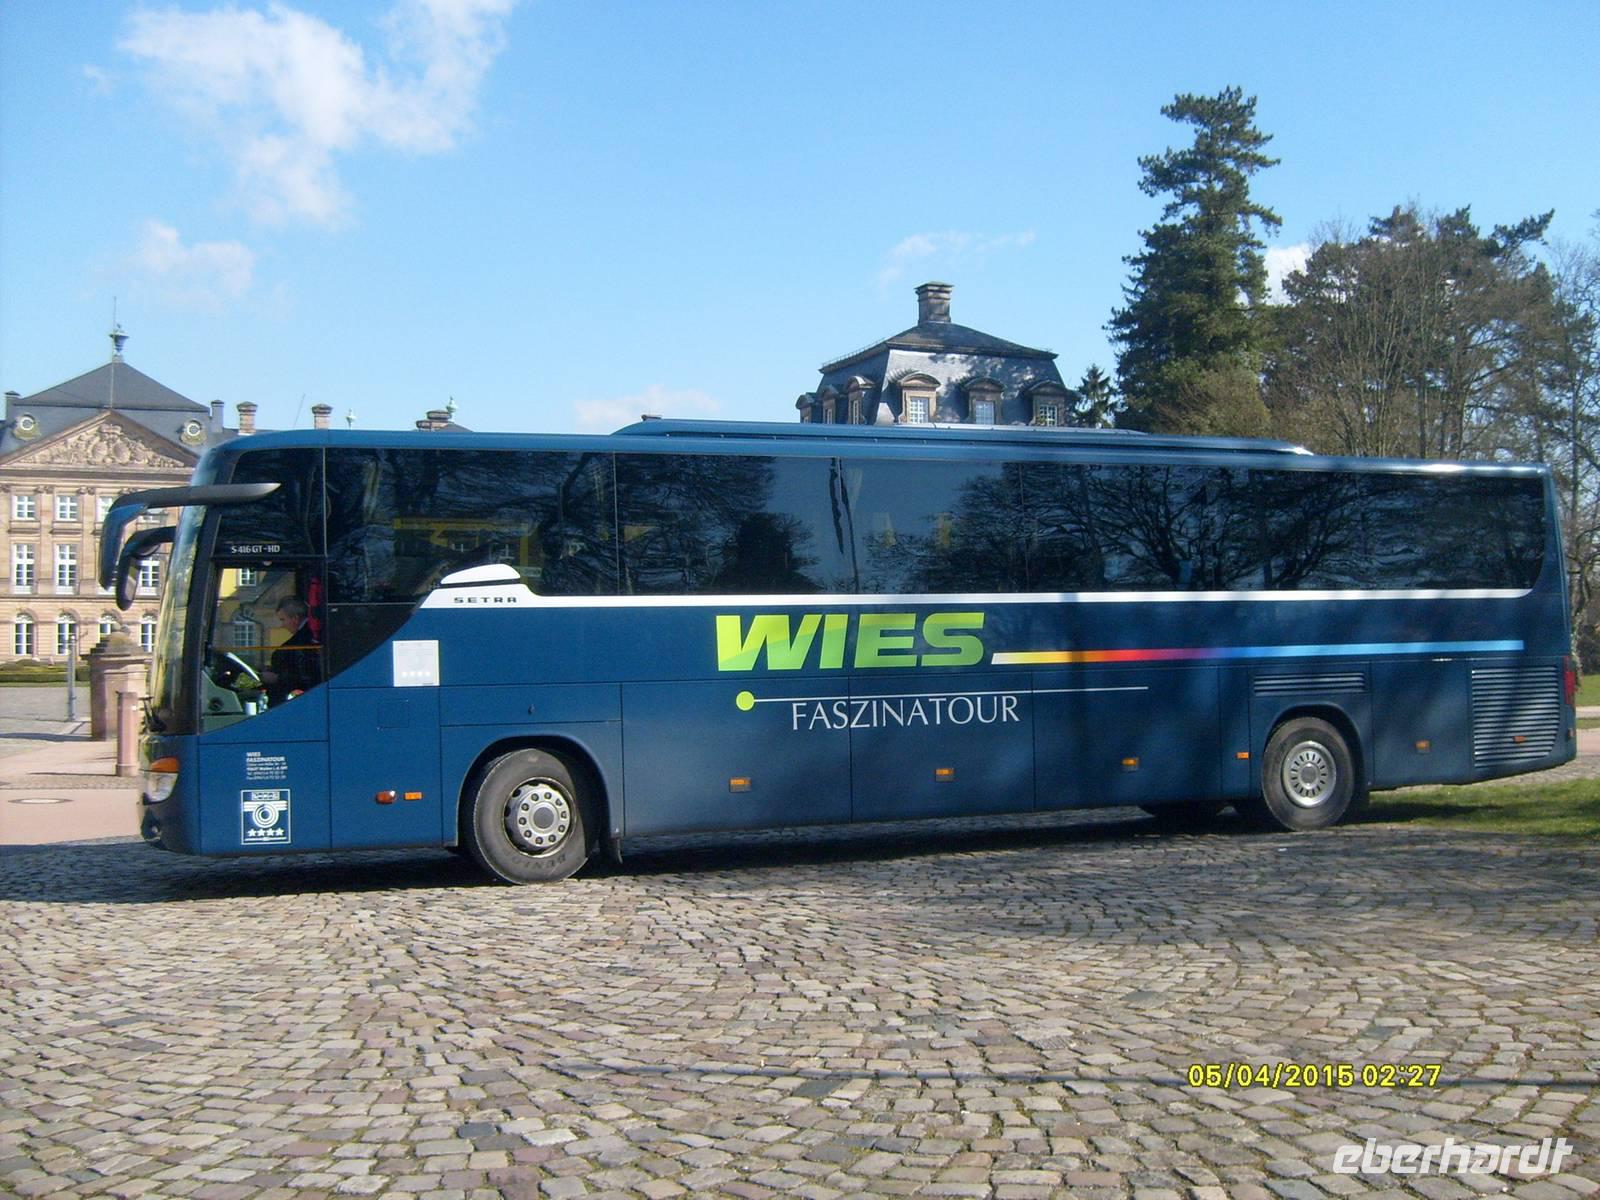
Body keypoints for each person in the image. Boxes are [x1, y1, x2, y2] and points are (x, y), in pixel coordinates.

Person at [261, 596, 321, 705]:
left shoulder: (307, 638)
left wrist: (277, 678)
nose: (282, 625)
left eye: (283, 620)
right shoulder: (307, 634)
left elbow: (307, 673)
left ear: (295, 618)